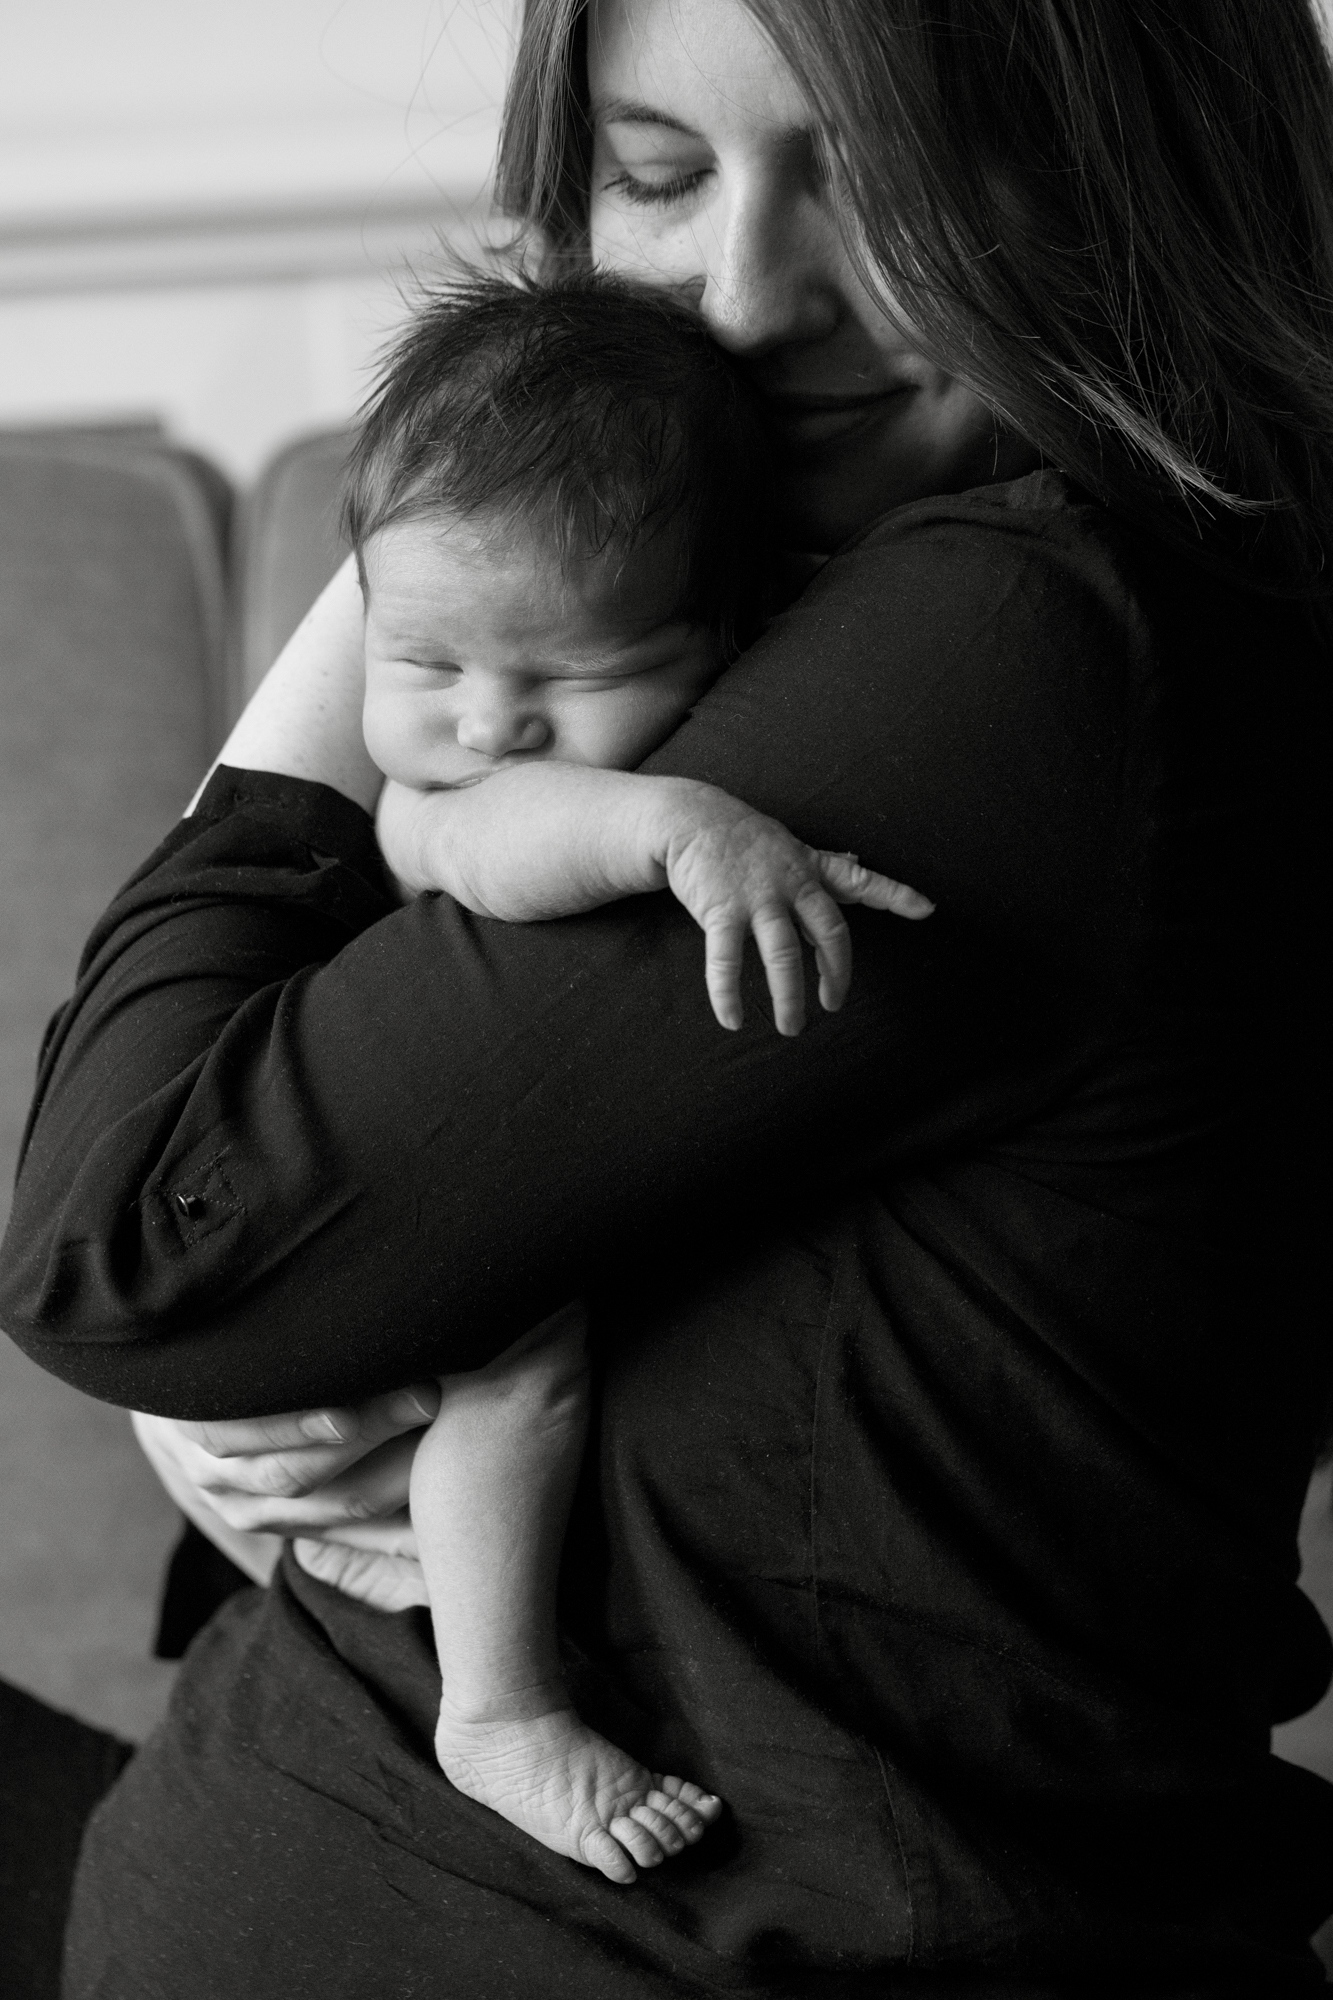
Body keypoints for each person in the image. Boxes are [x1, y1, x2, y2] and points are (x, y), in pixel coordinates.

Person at [2, 0, 1331, 1993]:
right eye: (653, 176)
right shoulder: (850, 610)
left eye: (877, 184)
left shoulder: (1014, 641)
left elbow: (124, 1237)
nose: (740, 292)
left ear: (1112, 180)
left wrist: (424, 531)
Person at [349, 268, 928, 1880]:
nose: (484, 722)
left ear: (725, 636)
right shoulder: (434, 802)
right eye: (426, 660)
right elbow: (491, 840)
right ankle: (501, 1710)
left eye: (568, 675)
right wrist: (680, 825)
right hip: (428, 1223)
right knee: (516, 1378)